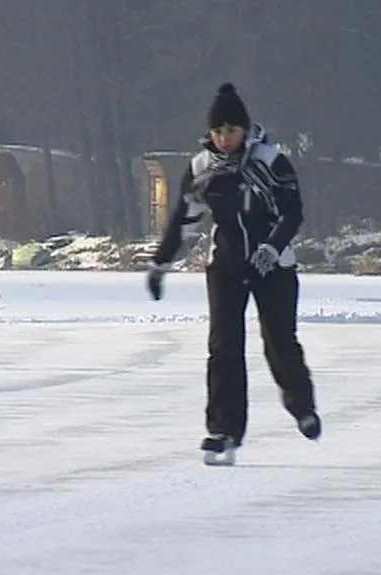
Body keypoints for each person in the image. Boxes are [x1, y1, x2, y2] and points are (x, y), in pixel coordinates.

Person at [146, 82, 321, 463]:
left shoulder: (271, 161)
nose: (225, 139)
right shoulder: (200, 168)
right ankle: (224, 430)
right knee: (223, 347)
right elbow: (185, 221)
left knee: (279, 342)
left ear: (245, 129)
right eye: (218, 132)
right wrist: (161, 263)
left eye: (232, 131)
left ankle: (302, 406)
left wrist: (272, 249)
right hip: (225, 266)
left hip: (273, 266)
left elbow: (293, 213)